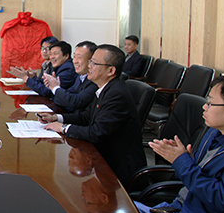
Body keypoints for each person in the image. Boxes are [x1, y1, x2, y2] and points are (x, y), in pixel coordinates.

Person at [91, 74, 224, 213]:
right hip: (179, 206)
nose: (204, 107)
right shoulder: (214, 132)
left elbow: (222, 200)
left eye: (210, 103)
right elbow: (200, 174)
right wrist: (188, 159)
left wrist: (182, 162)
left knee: (102, 212)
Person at [39, 44, 146, 187]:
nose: (89, 66)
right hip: (103, 156)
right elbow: (86, 117)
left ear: (111, 70)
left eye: (94, 63)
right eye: (90, 61)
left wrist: (63, 128)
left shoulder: (116, 94)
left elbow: (97, 132)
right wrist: (57, 118)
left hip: (118, 169)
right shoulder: (105, 88)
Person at [44, 41, 98, 113]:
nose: (75, 61)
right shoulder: (80, 77)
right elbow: (68, 97)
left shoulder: (95, 81)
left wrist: (55, 88)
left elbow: (75, 102)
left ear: (92, 61)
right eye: (74, 57)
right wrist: (56, 87)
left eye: (79, 57)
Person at [10, 40, 78, 98]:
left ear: (66, 55)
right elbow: (44, 84)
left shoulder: (68, 69)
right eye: (50, 54)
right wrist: (32, 77)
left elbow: (48, 92)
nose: (52, 57)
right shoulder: (59, 66)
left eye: (55, 54)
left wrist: (25, 78)